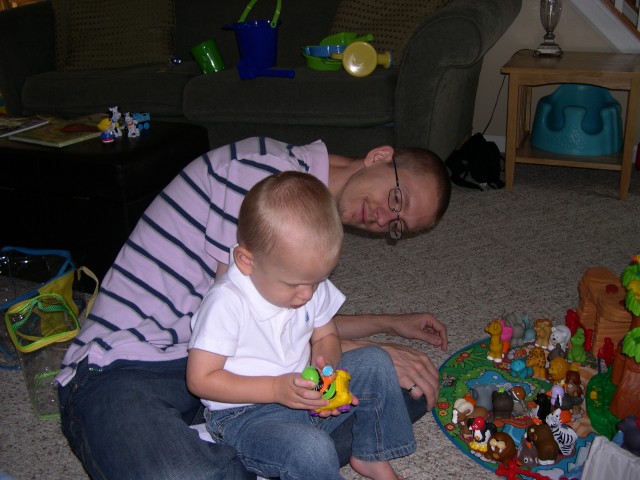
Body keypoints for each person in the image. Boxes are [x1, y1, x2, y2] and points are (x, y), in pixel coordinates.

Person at [57, 137, 450, 479]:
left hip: (232, 374)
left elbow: (290, 315)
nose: (384, 218)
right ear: (380, 156)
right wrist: (367, 354)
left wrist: (388, 325)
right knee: (178, 474)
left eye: (397, 225)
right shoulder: (263, 175)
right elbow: (241, 317)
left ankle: (271, 451)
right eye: (396, 199)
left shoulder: (306, 229)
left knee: (392, 396)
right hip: (127, 363)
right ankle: (271, 455)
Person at [187, 171, 416, 479]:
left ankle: (371, 454)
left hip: (302, 391)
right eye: (295, 283)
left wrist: (327, 373)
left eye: (317, 281)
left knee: (376, 361)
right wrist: (275, 389)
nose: (307, 294)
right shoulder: (226, 303)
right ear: (246, 261)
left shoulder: (306, 284)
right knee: (312, 449)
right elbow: (200, 380)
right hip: (243, 416)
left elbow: (326, 336)